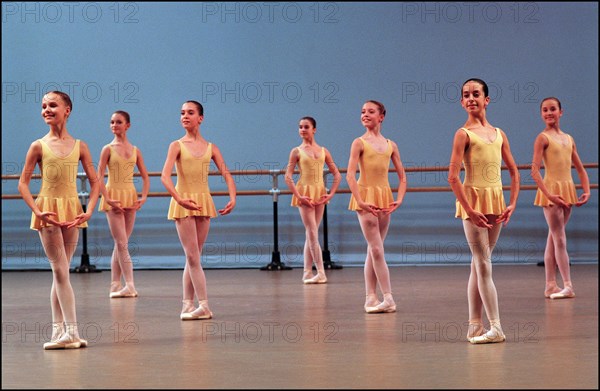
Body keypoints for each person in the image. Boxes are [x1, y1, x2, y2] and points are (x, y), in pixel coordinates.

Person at [18, 91, 100, 349]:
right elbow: (23, 183)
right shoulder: (38, 146)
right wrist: (37, 210)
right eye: (43, 106)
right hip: (49, 211)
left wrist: (89, 210)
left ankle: (57, 331)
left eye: (52, 105)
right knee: (61, 271)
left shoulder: (80, 146)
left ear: (67, 110)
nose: (46, 109)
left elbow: (96, 182)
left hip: (72, 210)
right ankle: (72, 333)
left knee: (60, 273)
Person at [448, 78, 520, 344]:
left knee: (478, 264)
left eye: (476, 94)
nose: (471, 98)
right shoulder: (462, 134)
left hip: (495, 199)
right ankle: (496, 326)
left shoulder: (499, 133)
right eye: (466, 95)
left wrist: (511, 202)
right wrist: (469, 209)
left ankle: (474, 325)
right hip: (474, 201)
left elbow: (513, 171)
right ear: (461, 101)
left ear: (486, 99)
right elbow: (453, 177)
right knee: (483, 263)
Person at [161, 101, 236, 320]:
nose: (185, 116)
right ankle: (203, 306)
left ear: (200, 118)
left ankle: (187, 305)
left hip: (203, 202)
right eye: (182, 113)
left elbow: (227, 174)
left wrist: (233, 197)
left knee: (193, 258)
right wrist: (179, 199)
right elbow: (165, 177)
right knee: (193, 256)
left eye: (190, 113)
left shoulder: (211, 147)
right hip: (184, 203)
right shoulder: (176, 145)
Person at [346, 100, 407, 314]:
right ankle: (388, 297)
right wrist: (361, 201)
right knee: (376, 249)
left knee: (374, 250)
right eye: (362, 111)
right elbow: (350, 175)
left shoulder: (391, 145)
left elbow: (402, 176)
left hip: (384, 198)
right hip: (366, 197)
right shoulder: (359, 143)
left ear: (381, 116)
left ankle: (370, 297)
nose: (365, 115)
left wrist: (399, 198)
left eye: (370, 112)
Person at [531, 97, 590, 299]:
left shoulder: (568, 138)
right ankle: (568, 285)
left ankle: (550, 285)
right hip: (552, 192)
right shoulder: (542, 138)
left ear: (560, 112)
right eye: (545, 110)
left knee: (553, 239)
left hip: (567, 189)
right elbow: (535, 171)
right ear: (541, 114)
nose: (549, 113)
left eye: (552, 109)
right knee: (560, 240)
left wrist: (587, 189)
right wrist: (549, 195)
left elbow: (580, 168)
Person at [97, 111, 150, 299]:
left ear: (127, 125)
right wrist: (108, 198)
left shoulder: (135, 150)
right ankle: (130, 285)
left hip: (129, 196)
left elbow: (145, 175)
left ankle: (114, 284)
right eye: (111, 122)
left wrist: (143, 197)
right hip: (114, 197)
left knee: (121, 244)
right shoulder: (107, 149)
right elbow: (99, 176)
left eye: (118, 122)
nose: (114, 125)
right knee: (122, 243)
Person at [284, 116, 341, 284]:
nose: (302, 129)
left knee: (311, 234)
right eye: (300, 127)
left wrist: (330, 194)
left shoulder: (323, 150)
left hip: (320, 192)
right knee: (312, 232)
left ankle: (307, 272)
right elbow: (288, 177)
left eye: (306, 127)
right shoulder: (296, 151)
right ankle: (321, 272)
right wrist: (299, 195)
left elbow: (337, 174)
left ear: (314, 129)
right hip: (305, 192)